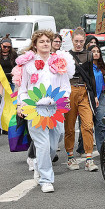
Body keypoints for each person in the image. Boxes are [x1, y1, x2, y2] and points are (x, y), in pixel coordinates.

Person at [16, 31, 76, 193]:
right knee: (42, 144)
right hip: (35, 108)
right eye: (41, 41)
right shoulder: (28, 64)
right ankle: (46, 179)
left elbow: (65, 87)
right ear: (35, 44)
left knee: (54, 142)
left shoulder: (59, 62)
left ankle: (39, 164)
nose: (45, 44)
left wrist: (63, 98)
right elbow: (23, 89)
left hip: (55, 108)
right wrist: (21, 105)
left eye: (47, 41)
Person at [65, 28, 99, 172]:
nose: (78, 44)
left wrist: (95, 95)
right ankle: (70, 156)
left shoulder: (89, 55)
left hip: (85, 90)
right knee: (70, 125)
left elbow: (91, 75)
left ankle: (89, 159)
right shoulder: (66, 55)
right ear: (72, 41)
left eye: (81, 41)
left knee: (87, 124)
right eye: (76, 41)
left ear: (84, 41)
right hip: (70, 90)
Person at [88, 44, 105, 152]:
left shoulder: (102, 67)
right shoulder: (87, 67)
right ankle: (84, 148)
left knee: (101, 123)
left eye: (97, 51)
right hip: (89, 96)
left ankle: (102, 149)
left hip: (101, 96)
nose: (96, 53)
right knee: (87, 124)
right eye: (93, 51)